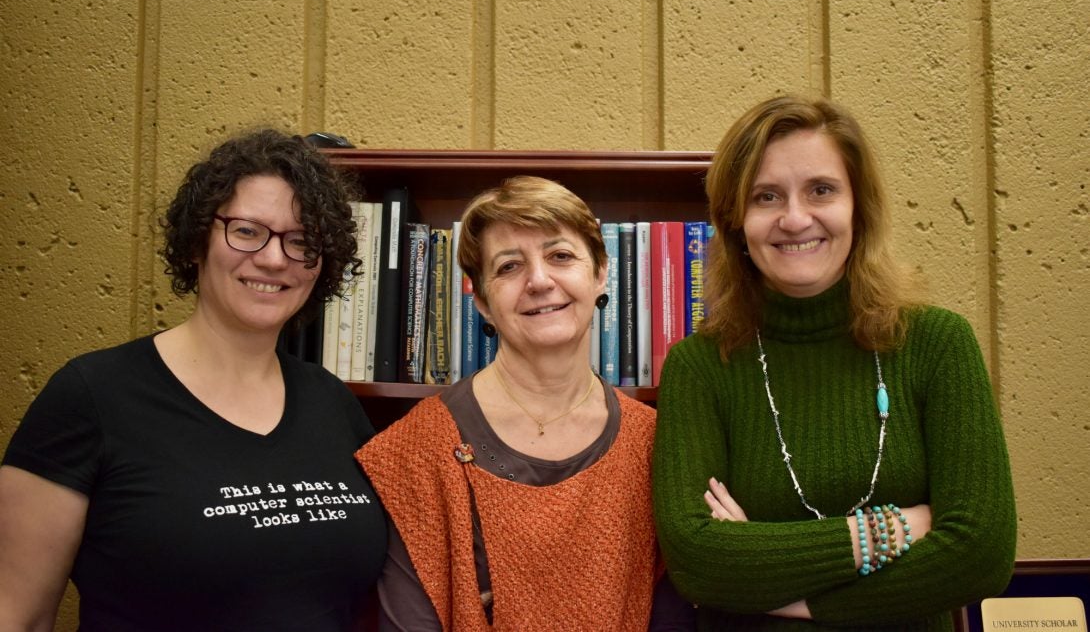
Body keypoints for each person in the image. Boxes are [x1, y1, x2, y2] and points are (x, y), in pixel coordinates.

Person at [652, 95, 1017, 630]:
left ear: (858, 208)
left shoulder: (937, 344)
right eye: (766, 196)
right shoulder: (700, 367)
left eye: (821, 190)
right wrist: (892, 530)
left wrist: (798, 599)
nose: (795, 218)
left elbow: (980, 555)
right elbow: (700, 564)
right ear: (736, 223)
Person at [0, 130, 387, 631]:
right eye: (247, 231)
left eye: (301, 241)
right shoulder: (92, 396)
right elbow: (18, 617)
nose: (274, 259)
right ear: (196, 241)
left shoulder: (332, 401)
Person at [357, 176, 694, 631]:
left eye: (560, 256)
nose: (539, 281)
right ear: (481, 302)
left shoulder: (656, 443)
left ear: (599, 275)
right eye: (509, 267)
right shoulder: (414, 452)